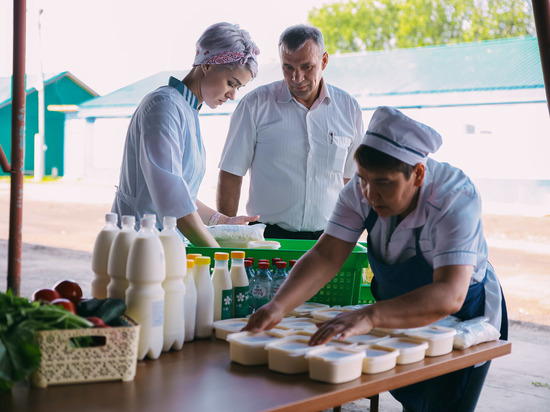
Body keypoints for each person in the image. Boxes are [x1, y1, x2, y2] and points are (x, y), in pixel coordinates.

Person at [244, 107, 508, 412]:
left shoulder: (454, 198)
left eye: (383, 183)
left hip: (462, 316)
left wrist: (370, 315)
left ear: (418, 174)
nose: (370, 193)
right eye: (363, 179)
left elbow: (449, 294)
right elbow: (326, 254)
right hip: (398, 309)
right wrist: (279, 305)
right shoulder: (360, 189)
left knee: (444, 403)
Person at [111, 22, 260, 247]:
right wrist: (220, 256)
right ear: (208, 65)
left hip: (162, 247)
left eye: (238, 88)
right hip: (139, 247)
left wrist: (222, 220)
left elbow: (183, 196)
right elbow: (173, 203)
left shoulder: (187, 110)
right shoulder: (164, 107)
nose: (232, 95)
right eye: (231, 83)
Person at [216, 24, 364, 240]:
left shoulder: (349, 109)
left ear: (323, 61)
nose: (297, 77)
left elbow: (351, 180)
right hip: (266, 238)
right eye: (288, 67)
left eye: (307, 67)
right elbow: (231, 174)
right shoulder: (254, 105)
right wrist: (226, 236)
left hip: (329, 239)